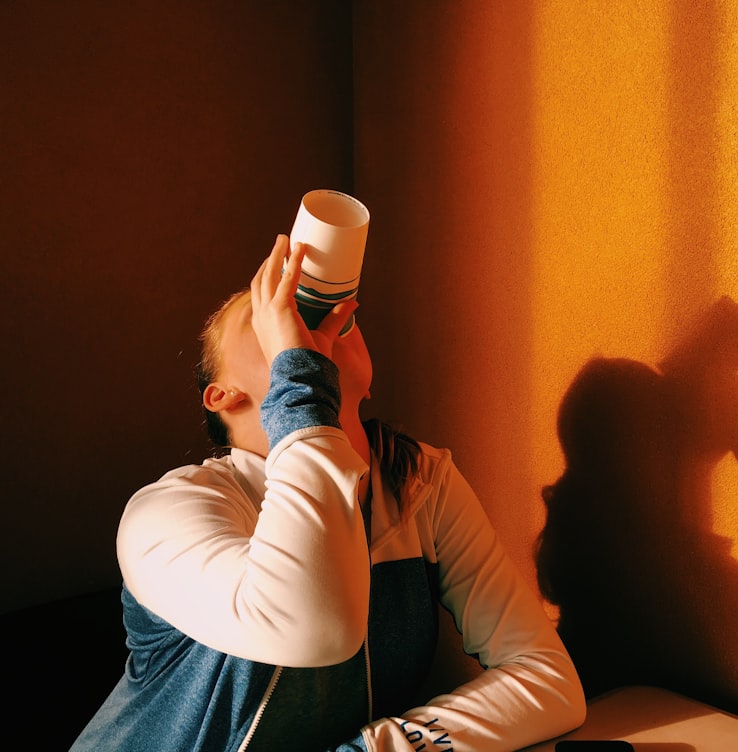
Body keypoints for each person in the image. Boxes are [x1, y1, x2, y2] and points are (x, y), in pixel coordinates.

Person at [71, 234, 586, 751]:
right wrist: (301, 384)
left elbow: (548, 680)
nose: (302, 324)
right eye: (270, 317)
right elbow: (311, 626)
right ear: (223, 397)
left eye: (313, 312)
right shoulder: (166, 511)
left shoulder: (419, 484)